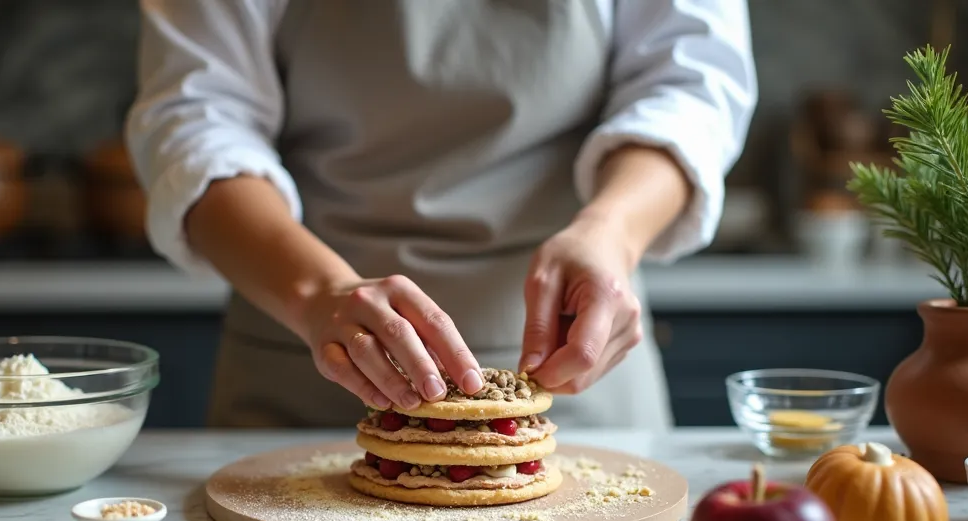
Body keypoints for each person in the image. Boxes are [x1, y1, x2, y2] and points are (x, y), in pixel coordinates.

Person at [129, 0, 757, 429]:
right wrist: (320, 291)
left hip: (575, 377)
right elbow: (195, 119)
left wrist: (611, 233)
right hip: (303, 367)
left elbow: (690, 87)